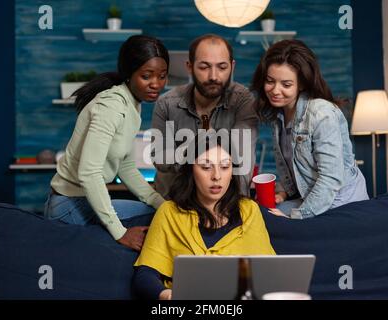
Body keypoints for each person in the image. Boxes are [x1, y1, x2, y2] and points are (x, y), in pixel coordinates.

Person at [44, 35, 169, 251]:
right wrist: (121, 233)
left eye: (162, 76)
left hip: (77, 202)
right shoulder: (111, 106)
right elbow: (88, 173)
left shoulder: (131, 105)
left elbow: (126, 166)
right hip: (68, 205)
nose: (156, 84)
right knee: (157, 219)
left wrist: (161, 202)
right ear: (129, 75)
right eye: (146, 76)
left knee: (163, 213)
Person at [132, 132, 275, 300]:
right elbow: (145, 274)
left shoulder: (249, 210)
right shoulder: (169, 212)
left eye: (225, 166)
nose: (216, 176)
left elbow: (269, 271)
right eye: (206, 167)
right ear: (191, 170)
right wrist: (167, 295)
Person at [251, 39, 369, 219]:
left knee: (275, 227)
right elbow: (293, 167)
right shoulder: (280, 117)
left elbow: (330, 179)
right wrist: (283, 193)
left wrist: (295, 216)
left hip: (342, 204)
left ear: (302, 84)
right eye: (270, 81)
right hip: (313, 200)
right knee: (260, 218)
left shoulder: (322, 114)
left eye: (286, 84)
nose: (275, 90)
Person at [151, 34, 258, 198]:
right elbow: (160, 158)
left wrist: (235, 208)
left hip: (226, 207)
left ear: (232, 66)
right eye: (204, 67)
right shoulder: (166, 103)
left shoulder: (243, 101)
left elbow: (242, 162)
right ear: (189, 66)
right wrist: (199, 149)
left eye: (222, 67)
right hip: (174, 204)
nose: (213, 76)